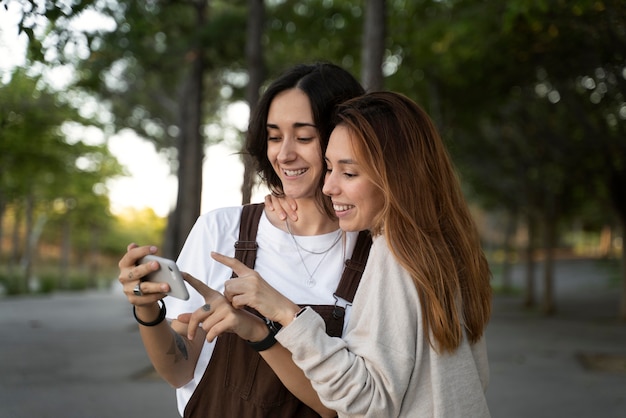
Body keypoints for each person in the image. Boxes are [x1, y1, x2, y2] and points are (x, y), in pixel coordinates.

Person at [204, 91, 493, 417]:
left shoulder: (395, 256)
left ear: (397, 176)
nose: (329, 187)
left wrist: (287, 314)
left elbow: (368, 403)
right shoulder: (446, 249)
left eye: (349, 172)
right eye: (329, 168)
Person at [117, 62, 368, 417]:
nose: (284, 154)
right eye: (275, 136)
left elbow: (348, 402)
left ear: (342, 137)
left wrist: (259, 329)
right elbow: (179, 370)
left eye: (305, 136)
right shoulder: (223, 230)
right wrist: (147, 309)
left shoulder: (373, 251)